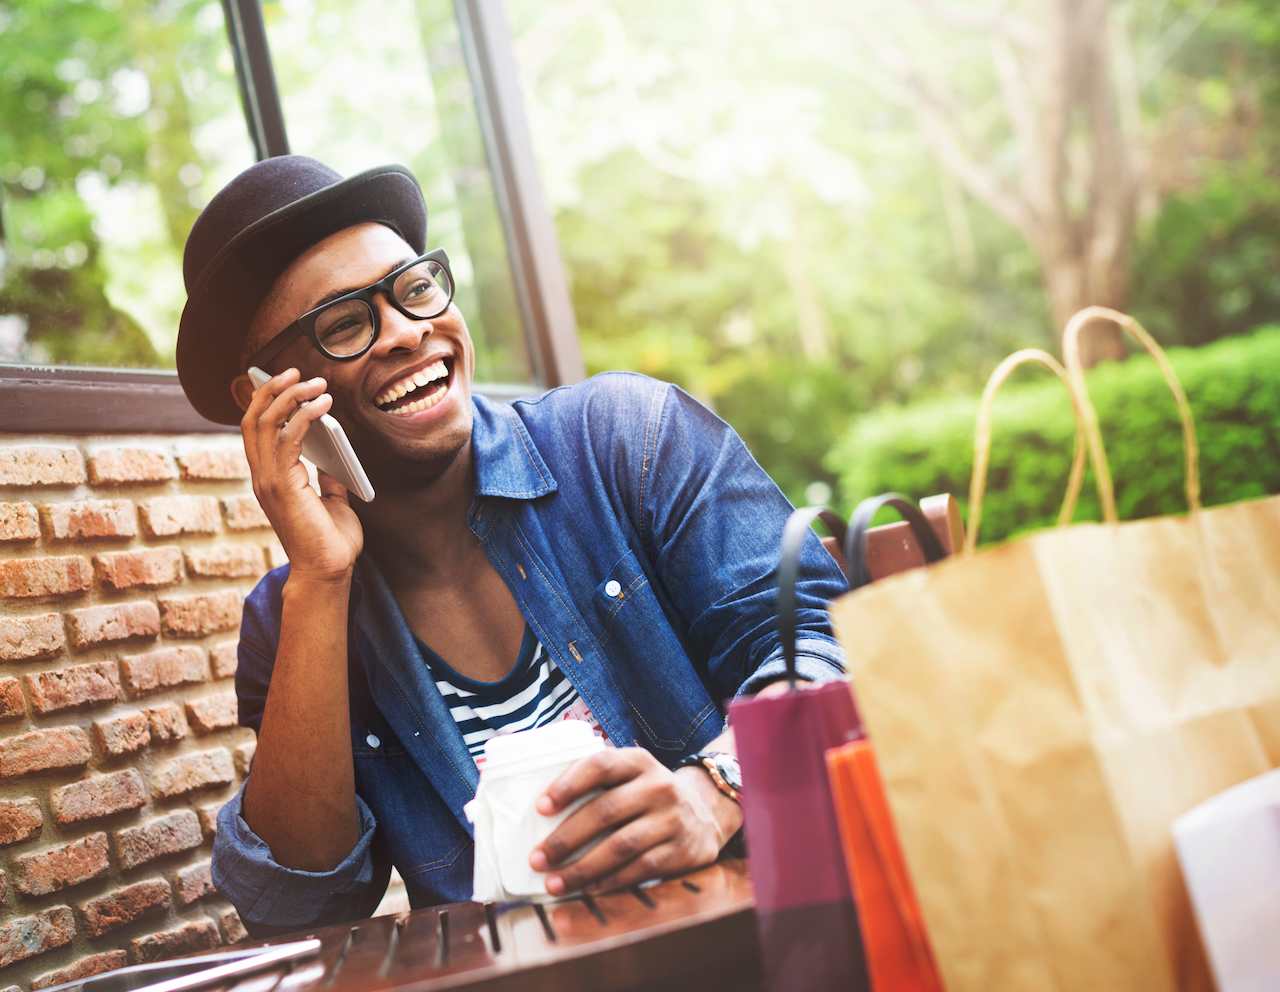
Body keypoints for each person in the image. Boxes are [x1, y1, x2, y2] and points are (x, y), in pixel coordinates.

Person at [176, 155, 846, 935]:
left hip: (771, 950)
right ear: (265, 395)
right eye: (346, 324)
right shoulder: (294, 621)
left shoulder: (627, 441)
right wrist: (322, 582)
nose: (407, 332)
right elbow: (301, 905)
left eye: (415, 288)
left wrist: (715, 794)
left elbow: (824, 647)